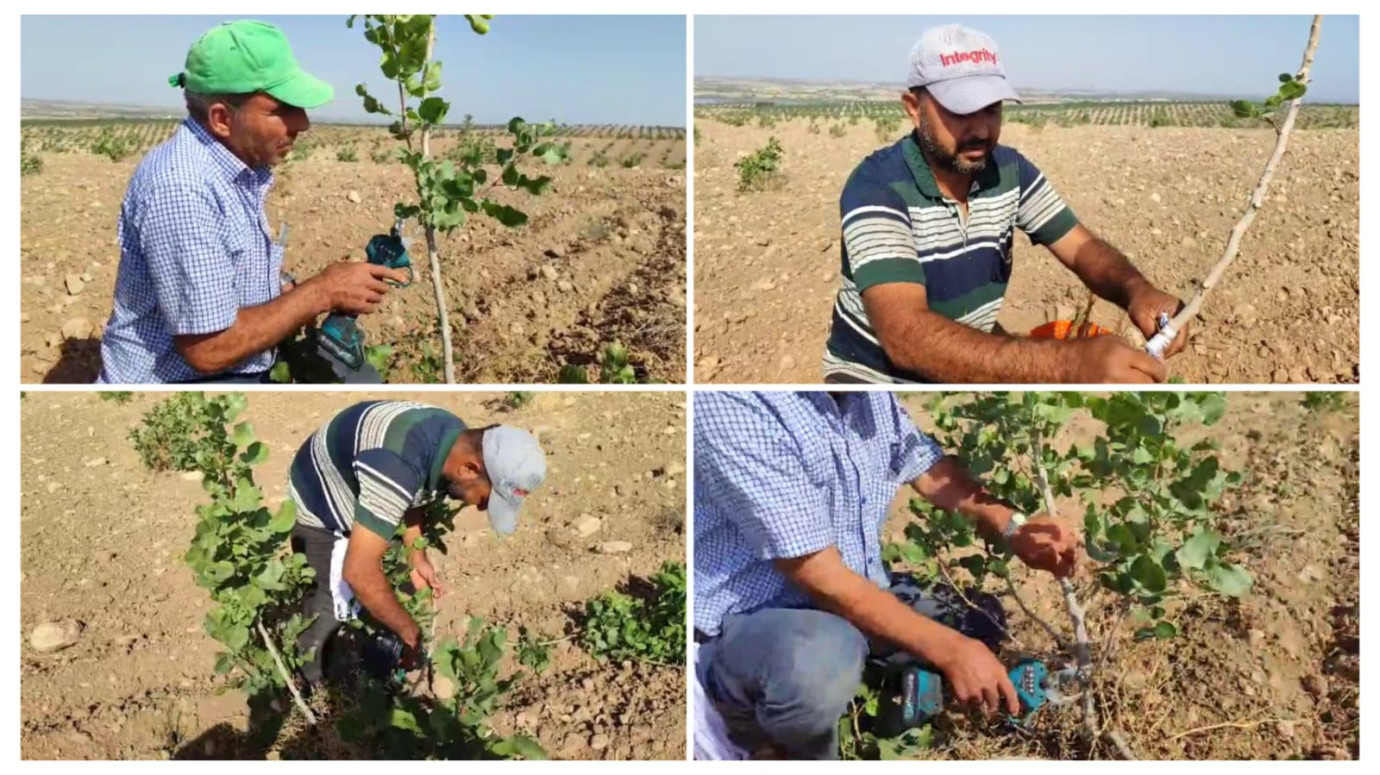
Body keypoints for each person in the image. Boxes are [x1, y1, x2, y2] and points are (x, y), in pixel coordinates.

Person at [693, 391, 1081, 760]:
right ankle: (756, 732)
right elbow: (819, 576)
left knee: (981, 618)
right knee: (819, 662)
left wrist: (1012, 526)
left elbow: (927, 468)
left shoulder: (862, 394)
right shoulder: (737, 405)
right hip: (755, 620)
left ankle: (884, 697)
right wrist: (950, 650)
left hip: (850, 592)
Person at [822, 23, 1189, 384]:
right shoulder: (877, 188)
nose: (981, 130)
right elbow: (906, 337)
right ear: (914, 109)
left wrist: (1136, 290)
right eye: (962, 111)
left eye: (992, 109)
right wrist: (1068, 365)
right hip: (876, 377)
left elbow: (1081, 248)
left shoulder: (1009, 170)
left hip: (963, 368)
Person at [97, 20, 405, 384]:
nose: (303, 124)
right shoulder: (183, 187)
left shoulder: (233, 167)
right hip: (185, 384)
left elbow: (226, 277)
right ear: (222, 118)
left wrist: (288, 291)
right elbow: (208, 349)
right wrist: (322, 291)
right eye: (282, 110)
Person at [285, 399, 547, 689]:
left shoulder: (453, 439)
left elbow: (414, 488)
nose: (481, 509)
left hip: (368, 478)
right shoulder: (394, 465)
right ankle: (313, 687)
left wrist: (415, 553)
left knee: (374, 596)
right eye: (486, 499)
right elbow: (359, 572)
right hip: (322, 502)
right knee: (331, 605)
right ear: (470, 470)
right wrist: (409, 632)